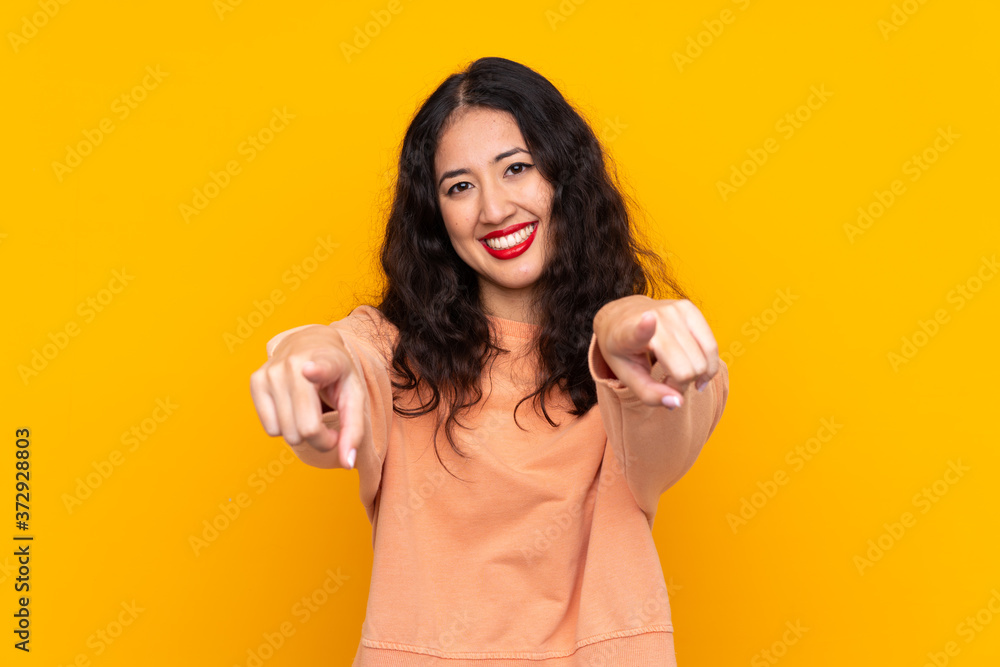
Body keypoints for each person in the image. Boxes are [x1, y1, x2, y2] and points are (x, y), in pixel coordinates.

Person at [250, 56, 729, 666]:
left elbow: (668, 423)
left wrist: (625, 328)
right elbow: (339, 376)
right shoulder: (391, 350)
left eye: (517, 169)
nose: (495, 208)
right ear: (435, 216)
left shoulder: (639, 354)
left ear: (563, 180)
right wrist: (305, 354)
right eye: (460, 186)